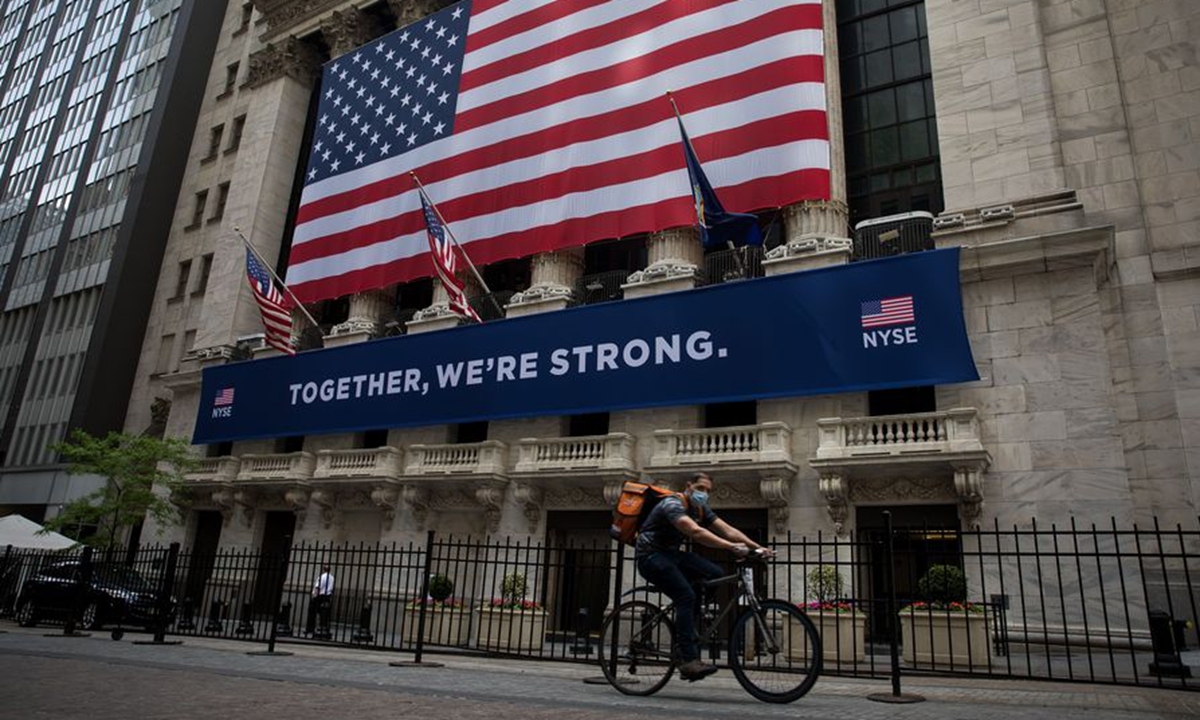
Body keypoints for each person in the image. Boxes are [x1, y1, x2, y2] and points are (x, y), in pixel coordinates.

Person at [635, 472, 772, 681]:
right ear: (688, 486)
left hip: (670, 555)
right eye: (700, 489)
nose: (704, 494)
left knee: (715, 573)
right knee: (686, 596)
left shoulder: (700, 509)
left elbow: (727, 529)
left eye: (708, 491)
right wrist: (731, 547)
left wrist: (758, 548)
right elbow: (695, 532)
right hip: (650, 556)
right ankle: (688, 659)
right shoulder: (672, 504)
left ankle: (688, 624)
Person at [309, 564, 334, 639]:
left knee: (315, 611)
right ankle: (324, 627)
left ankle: (313, 628)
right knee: (325, 613)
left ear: (323, 569)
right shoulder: (332, 577)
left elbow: (318, 587)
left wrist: (314, 596)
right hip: (328, 596)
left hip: (321, 596)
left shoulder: (322, 576)